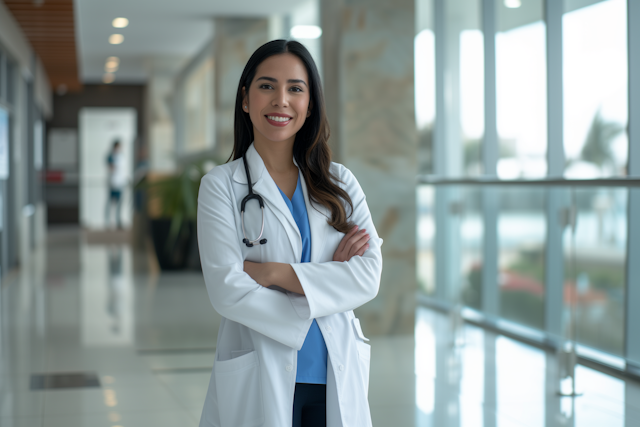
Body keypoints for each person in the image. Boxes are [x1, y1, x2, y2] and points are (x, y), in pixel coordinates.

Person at [197, 40, 383, 427]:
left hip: (334, 368)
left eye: (295, 89)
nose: (280, 100)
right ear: (245, 99)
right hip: (259, 366)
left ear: (310, 104)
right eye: (267, 86)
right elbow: (227, 289)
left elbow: (368, 276)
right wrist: (326, 284)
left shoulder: (340, 183)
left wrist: (275, 274)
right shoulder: (220, 186)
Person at [105, 140, 126, 229]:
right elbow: (111, 168)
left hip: (120, 182)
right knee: (110, 203)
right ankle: (108, 222)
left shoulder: (121, 156)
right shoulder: (110, 156)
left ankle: (118, 221)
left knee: (119, 203)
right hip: (112, 182)